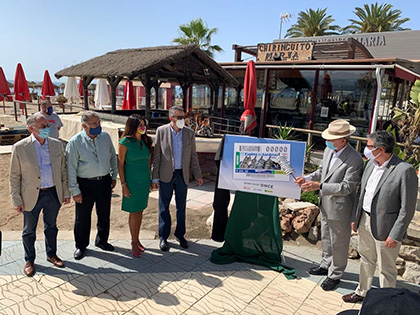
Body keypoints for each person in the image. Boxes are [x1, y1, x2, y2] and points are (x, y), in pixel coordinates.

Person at [343, 131, 418, 303]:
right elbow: (361, 193)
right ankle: (362, 291)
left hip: (387, 228)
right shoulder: (370, 164)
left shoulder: (404, 170)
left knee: (387, 268)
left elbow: (407, 208)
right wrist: (356, 217)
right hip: (365, 220)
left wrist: (396, 234)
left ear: (381, 149)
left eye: (369, 146)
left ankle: (386, 301)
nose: (366, 149)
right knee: (366, 259)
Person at [294, 119, 363, 291]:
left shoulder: (354, 159)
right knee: (326, 236)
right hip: (325, 202)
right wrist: (308, 178)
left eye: (332, 139)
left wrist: (320, 186)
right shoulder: (328, 151)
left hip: (340, 207)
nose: (328, 141)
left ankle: (336, 274)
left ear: (343, 140)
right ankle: (326, 264)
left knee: (339, 241)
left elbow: (347, 187)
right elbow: (321, 171)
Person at [9, 113, 70, 276]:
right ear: (31, 128)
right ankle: (29, 259)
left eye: (47, 126)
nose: (47, 129)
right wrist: (16, 199)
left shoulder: (57, 145)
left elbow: (63, 170)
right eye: (43, 126)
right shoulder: (20, 147)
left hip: (52, 193)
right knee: (29, 230)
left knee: (51, 227)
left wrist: (66, 192)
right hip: (30, 196)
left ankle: (51, 254)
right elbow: (14, 175)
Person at [66, 111, 118, 260]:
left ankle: (102, 241)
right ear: (84, 125)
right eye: (94, 123)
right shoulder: (75, 142)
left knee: (104, 213)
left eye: (99, 122)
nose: (98, 126)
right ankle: (81, 246)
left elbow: (113, 157)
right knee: (82, 217)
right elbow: (71, 169)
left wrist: (113, 176)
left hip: (104, 182)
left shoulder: (105, 137)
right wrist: (75, 191)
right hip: (85, 184)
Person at [151, 106, 203, 251]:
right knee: (163, 207)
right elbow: (157, 156)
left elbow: (193, 155)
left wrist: (198, 174)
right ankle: (163, 236)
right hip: (166, 174)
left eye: (183, 117)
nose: (182, 120)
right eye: (179, 117)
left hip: (182, 175)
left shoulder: (189, 133)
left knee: (181, 207)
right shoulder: (161, 131)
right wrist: (154, 178)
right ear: (171, 118)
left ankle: (180, 235)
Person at [118, 115, 153, 258]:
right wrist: (123, 184)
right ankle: (133, 242)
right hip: (131, 182)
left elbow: (149, 161)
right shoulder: (125, 142)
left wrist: (150, 179)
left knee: (140, 211)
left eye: (144, 124)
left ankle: (137, 238)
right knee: (134, 211)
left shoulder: (146, 140)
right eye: (139, 125)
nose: (142, 127)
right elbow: (120, 164)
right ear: (132, 126)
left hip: (144, 182)